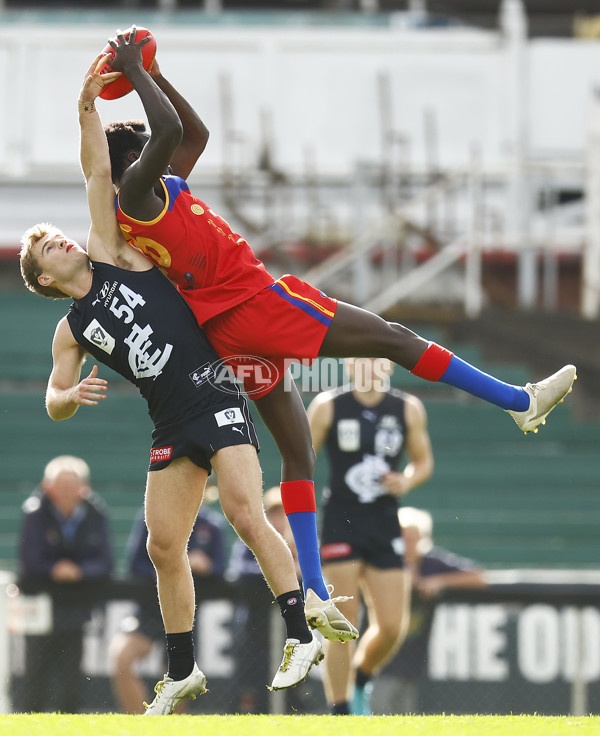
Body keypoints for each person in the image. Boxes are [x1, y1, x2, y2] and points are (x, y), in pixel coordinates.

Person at [98, 30, 574, 641]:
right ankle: (520, 403)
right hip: (256, 304)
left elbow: (193, 136)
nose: (152, 150)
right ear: (128, 167)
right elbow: (166, 135)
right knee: (395, 339)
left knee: (298, 454)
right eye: (140, 149)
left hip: (228, 329)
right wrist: (137, 70)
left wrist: (155, 75)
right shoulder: (136, 198)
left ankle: (317, 590)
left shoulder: (160, 189)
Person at [18, 55, 325, 715]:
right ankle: (182, 670)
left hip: (212, 387)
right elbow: (52, 396)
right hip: (169, 419)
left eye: (56, 237)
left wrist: (86, 110)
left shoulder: (108, 251)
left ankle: (300, 633)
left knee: (245, 512)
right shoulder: (70, 329)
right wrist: (66, 399)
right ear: (43, 280)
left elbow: (97, 169)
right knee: (163, 545)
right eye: (48, 248)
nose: (62, 242)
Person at [307, 358, 434, 715]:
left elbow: (422, 462)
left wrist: (407, 480)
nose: (368, 365)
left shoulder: (407, 408)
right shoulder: (328, 406)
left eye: (376, 358)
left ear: (389, 365)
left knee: (393, 625)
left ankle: (362, 676)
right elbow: (301, 456)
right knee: (343, 624)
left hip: (383, 522)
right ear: (348, 366)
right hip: (341, 522)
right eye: (360, 359)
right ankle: (341, 708)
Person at [17, 455, 113, 713]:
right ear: (47, 487)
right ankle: (29, 725)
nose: (67, 492)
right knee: (35, 670)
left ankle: (69, 725)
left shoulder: (96, 513)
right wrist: (55, 570)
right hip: (39, 606)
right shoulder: (34, 512)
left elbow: (105, 562)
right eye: (61, 486)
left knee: (72, 673)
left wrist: (79, 571)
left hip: (77, 607)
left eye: (72, 486)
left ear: (85, 488)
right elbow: (30, 562)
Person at [109, 503, 226, 714]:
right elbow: (136, 565)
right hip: (150, 608)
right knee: (121, 659)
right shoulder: (151, 517)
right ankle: (139, 725)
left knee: (179, 677)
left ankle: (170, 735)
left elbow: (220, 569)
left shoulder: (212, 524)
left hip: (187, 615)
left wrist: (206, 566)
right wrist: (173, 566)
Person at [372, 506, 487, 715]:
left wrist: (438, 581)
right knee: (378, 706)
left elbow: (478, 576)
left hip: (412, 655)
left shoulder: (432, 563)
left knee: (404, 711)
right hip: (381, 653)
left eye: (413, 538)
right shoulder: (383, 560)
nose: (408, 543)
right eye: (403, 537)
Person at [227, 486, 304, 713]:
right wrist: (283, 569)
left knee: (293, 699)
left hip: (292, 634)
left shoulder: (301, 544)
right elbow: (240, 571)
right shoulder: (249, 541)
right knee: (251, 692)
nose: (279, 520)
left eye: (284, 514)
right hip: (254, 632)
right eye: (274, 513)